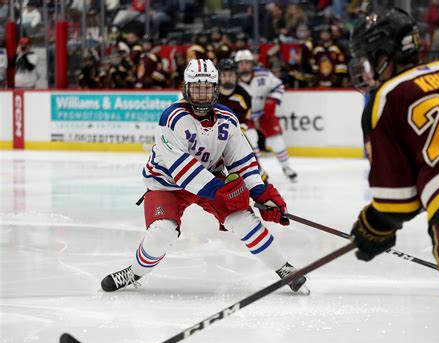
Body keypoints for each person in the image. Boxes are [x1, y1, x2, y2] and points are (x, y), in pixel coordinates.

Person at [101, 59, 309, 295]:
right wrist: (221, 191)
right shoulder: (171, 118)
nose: (202, 94)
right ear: (186, 88)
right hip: (166, 184)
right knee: (162, 232)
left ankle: (284, 269)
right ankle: (134, 273)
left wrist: (260, 192)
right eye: (197, 87)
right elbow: (181, 168)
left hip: (211, 181)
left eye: (207, 87)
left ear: (216, 89)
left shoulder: (228, 119)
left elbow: (242, 161)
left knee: (242, 219)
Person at [348, 8, 439, 343]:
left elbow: (397, 201)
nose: (365, 68)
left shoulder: (386, 98)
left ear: (383, 55)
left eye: (367, 59)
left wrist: (372, 228)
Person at [235, 49, 298, 182]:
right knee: (250, 142)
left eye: (247, 62)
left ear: (252, 63)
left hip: (264, 113)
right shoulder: (233, 80)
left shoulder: (264, 75)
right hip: (245, 116)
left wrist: (272, 100)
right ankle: (258, 170)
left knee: (277, 140)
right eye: (241, 63)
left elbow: (279, 86)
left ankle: (286, 167)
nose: (244, 65)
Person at [217, 58, 269, 183]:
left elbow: (246, 117)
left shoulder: (244, 96)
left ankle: (261, 179)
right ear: (219, 77)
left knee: (249, 155)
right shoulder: (212, 93)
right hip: (213, 135)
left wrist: (239, 132)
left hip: (236, 132)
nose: (227, 78)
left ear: (236, 76)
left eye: (230, 75)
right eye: (224, 75)